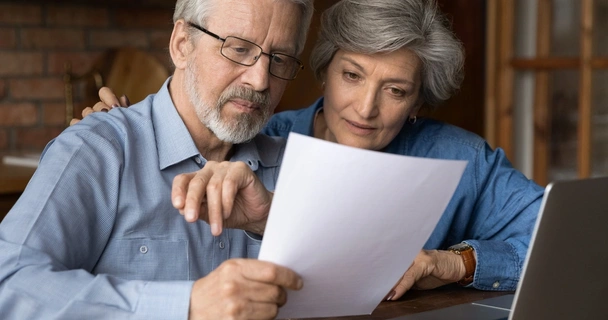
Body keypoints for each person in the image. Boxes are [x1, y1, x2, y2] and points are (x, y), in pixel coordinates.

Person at [87, 0, 544, 303]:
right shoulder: (257, 138)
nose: (366, 108)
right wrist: (126, 132)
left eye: (396, 89)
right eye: (352, 76)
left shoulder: (459, 159)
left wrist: (453, 262)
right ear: (323, 71)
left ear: (418, 101)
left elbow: (567, 241)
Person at [0, 0, 314, 319]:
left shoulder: (297, 166)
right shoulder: (98, 149)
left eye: (279, 58)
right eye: (239, 49)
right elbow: (9, 284)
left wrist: (275, 219)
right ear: (181, 45)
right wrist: (186, 306)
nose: (260, 80)